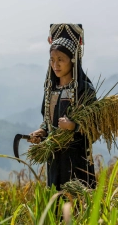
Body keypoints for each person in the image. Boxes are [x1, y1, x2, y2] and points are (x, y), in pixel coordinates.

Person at [28, 23, 96, 190]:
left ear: (73, 60)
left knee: (78, 206)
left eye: (60, 60)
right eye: (52, 60)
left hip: (77, 162)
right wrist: (42, 132)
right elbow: (47, 121)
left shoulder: (84, 90)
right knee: (55, 205)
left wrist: (73, 126)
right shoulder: (51, 90)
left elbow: (95, 128)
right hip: (54, 161)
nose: (55, 65)